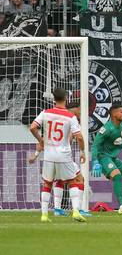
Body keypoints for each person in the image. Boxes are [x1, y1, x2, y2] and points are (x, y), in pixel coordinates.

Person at [29, 88, 87, 222]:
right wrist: (83, 151)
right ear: (66, 98)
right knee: (73, 181)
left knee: (47, 183)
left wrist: (41, 140)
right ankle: (76, 211)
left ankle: (44, 215)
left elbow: (33, 127)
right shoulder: (70, 117)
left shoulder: (45, 113)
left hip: (49, 155)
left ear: (54, 99)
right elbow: (79, 137)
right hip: (64, 155)